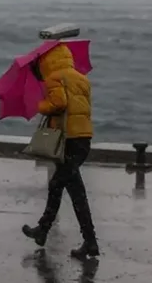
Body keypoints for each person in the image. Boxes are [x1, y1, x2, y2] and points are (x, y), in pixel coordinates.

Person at [23, 44, 100, 258]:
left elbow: (59, 103)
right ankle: (84, 241)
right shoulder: (81, 78)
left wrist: (41, 106)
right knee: (73, 191)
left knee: (58, 184)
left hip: (68, 140)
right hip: (83, 139)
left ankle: (44, 229)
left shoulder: (54, 78)